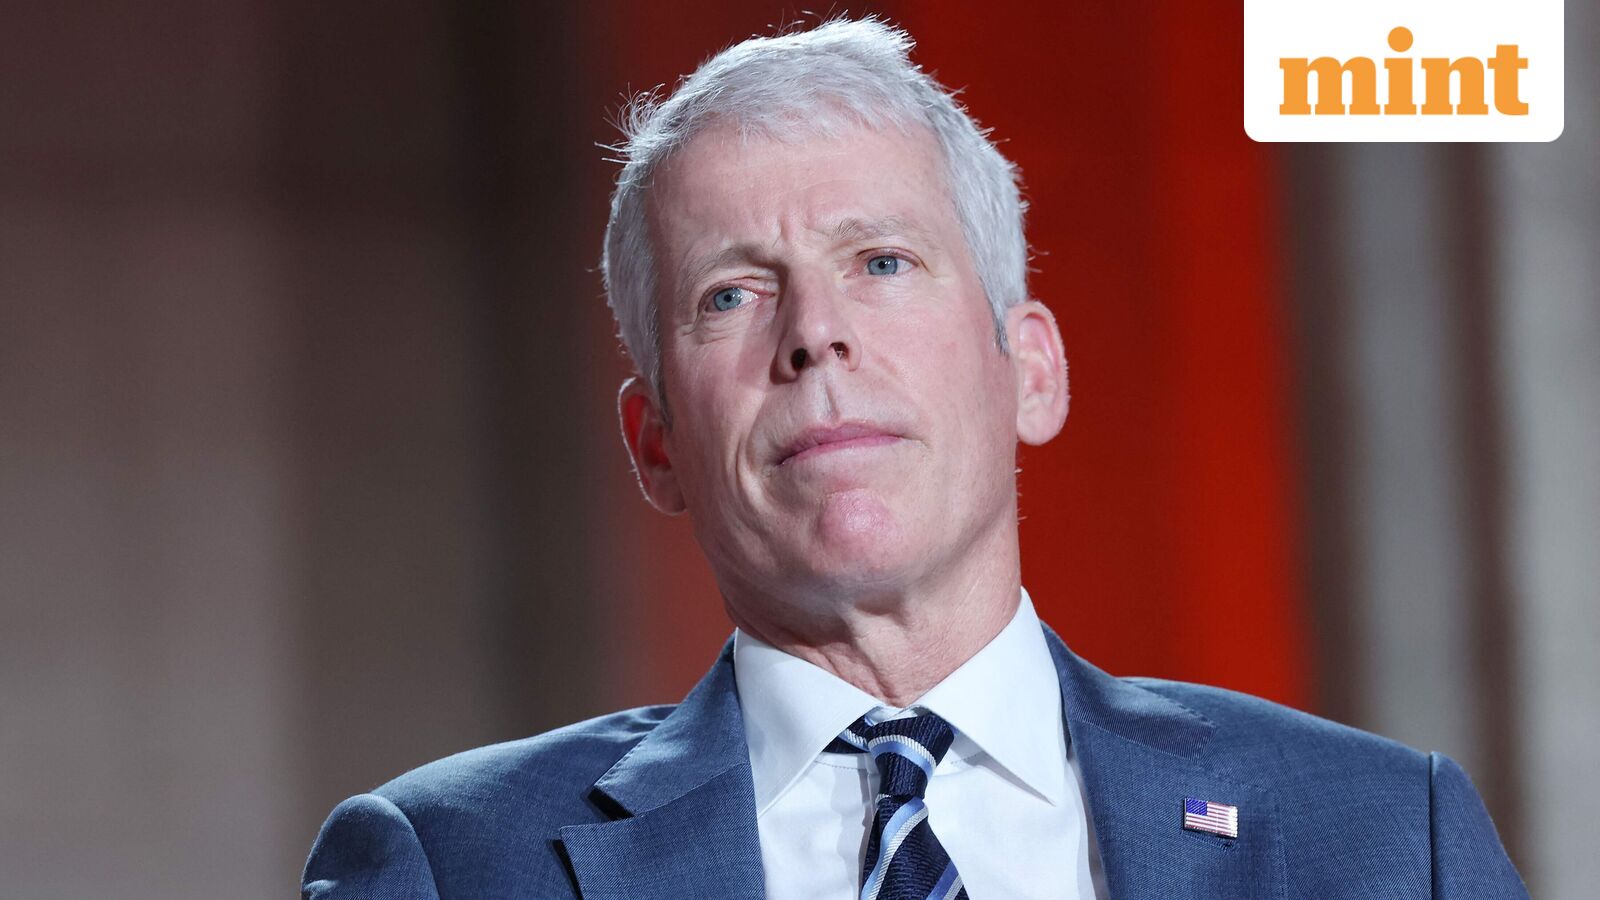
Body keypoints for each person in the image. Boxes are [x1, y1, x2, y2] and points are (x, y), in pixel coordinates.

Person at [302, 18, 1526, 899]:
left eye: (881, 263)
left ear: (1029, 370)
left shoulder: (1384, 838)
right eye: (731, 295)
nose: (813, 333)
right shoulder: (450, 863)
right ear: (656, 444)